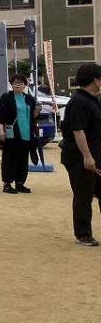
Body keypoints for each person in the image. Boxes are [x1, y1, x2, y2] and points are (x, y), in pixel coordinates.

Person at [60, 62, 101, 247]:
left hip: (96, 154)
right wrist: (87, 156)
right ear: (96, 79)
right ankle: (83, 234)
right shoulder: (78, 102)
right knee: (84, 194)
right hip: (79, 157)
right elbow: (78, 131)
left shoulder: (93, 99)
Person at [0, 73, 38, 194]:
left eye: (20, 83)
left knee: (23, 158)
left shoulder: (29, 99)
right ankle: (7, 183)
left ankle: (20, 182)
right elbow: (0, 115)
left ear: (25, 85)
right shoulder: (6, 97)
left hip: (26, 132)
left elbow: (33, 116)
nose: (17, 85)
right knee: (10, 157)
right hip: (12, 132)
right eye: (14, 83)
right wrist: (1, 130)